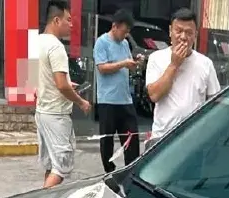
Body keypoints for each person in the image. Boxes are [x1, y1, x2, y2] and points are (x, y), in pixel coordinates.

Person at [35, 0, 91, 189]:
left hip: (42, 113)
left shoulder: (35, 42)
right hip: (57, 115)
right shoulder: (56, 47)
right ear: (57, 20)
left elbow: (34, 80)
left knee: (51, 164)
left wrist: (64, 84)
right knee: (60, 169)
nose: (72, 24)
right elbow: (61, 85)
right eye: (68, 19)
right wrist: (81, 101)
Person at [145, 8, 220, 140]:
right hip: (162, 137)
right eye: (178, 31)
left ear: (195, 35)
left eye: (189, 32)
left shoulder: (206, 63)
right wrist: (174, 65)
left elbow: (214, 102)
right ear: (170, 31)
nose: (183, 37)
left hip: (193, 139)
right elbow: (154, 95)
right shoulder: (156, 58)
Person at [93, 9, 144, 173]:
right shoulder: (102, 43)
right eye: (124, 31)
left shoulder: (125, 44)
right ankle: (110, 171)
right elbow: (102, 68)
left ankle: (131, 170)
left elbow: (126, 65)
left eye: (128, 32)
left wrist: (135, 63)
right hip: (108, 101)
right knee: (107, 141)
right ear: (114, 26)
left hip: (125, 100)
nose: (126, 35)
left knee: (131, 137)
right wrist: (123, 63)